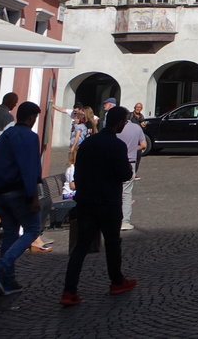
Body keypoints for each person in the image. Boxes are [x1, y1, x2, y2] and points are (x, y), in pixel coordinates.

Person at [60, 105, 136, 306]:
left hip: (86, 201)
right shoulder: (117, 146)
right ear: (120, 123)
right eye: (125, 122)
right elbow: (125, 174)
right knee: (112, 242)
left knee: (81, 246)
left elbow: (78, 173)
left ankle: (69, 290)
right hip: (108, 202)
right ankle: (116, 281)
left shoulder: (88, 143)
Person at [0, 101, 42, 296]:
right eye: (35, 118)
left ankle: (8, 281)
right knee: (32, 230)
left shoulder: (5, 136)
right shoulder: (29, 137)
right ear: (31, 118)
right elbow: (30, 170)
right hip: (19, 192)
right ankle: (0, 267)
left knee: (11, 234)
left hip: (0, 194)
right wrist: (33, 197)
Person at [118, 112, 147, 230]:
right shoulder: (136, 128)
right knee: (126, 193)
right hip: (130, 163)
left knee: (113, 191)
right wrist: (133, 148)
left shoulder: (115, 129)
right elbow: (144, 145)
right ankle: (124, 221)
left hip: (115, 161)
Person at [128, 103, 147, 177]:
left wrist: (144, 126)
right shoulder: (130, 115)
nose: (138, 108)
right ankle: (128, 173)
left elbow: (143, 128)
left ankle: (134, 173)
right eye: (137, 107)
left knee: (138, 156)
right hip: (131, 137)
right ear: (134, 107)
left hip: (138, 138)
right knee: (129, 156)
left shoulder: (142, 117)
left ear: (141, 109)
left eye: (139, 107)